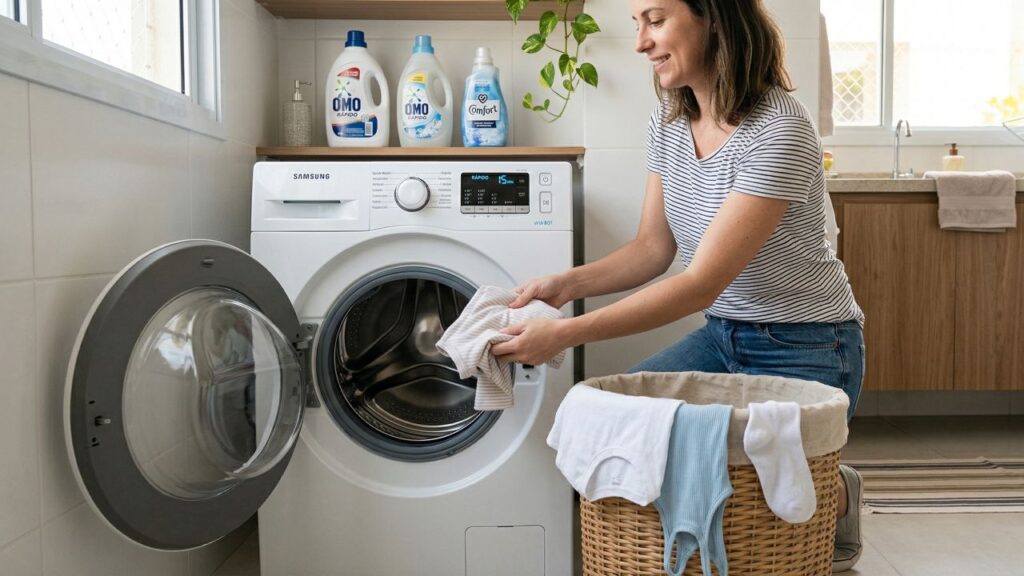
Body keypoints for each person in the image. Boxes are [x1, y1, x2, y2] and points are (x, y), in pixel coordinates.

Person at [489, 0, 866, 571]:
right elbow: (651, 249)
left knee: (768, 509)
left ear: (714, 16)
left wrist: (562, 336)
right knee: (629, 428)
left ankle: (835, 491)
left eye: (656, 20)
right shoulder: (668, 123)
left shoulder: (779, 129)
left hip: (808, 342)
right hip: (723, 336)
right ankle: (822, 481)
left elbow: (698, 283)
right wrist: (562, 286)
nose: (641, 43)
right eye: (636, 24)